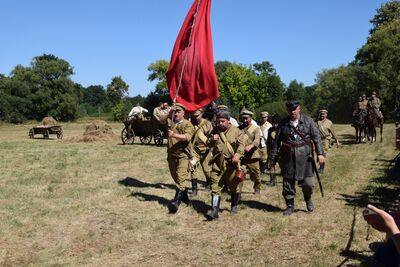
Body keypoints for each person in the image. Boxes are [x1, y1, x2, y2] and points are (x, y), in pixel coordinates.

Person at [269, 100, 325, 216]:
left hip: (305, 157)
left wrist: (320, 154)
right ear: (287, 110)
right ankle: (290, 205)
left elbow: (317, 138)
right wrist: (272, 158)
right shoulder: (283, 123)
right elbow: (276, 142)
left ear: (299, 109)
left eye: (295, 110)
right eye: (290, 110)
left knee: (308, 184)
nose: (292, 112)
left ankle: (308, 198)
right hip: (287, 158)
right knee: (288, 184)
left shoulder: (308, 121)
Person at [206, 110, 245, 220]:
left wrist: (237, 154)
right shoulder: (215, 130)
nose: (220, 123)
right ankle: (214, 210)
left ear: (228, 121)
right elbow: (208, 144)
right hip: (217, 164)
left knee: (233, 187)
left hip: (231, 164)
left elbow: (242, 145)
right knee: (215, 187)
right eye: (219, 121)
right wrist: (211, 140)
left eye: (223, 121)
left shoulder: (237, 131)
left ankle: (234, 205)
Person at [160, 103, 195, 213]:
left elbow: (187, 137)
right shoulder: (171, 121)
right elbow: (161, 120)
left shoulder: (188, 124)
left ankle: (176, 203)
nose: (177, 114)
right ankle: (185, 199)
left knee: (181, 178)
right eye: (176, 111)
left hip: (183, 156)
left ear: (183, 113)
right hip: (171, 156)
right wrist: (169, 113)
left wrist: (174, 135)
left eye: (179, 112)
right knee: (177, 179)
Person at [188, 108, 213, 196]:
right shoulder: (190, 124)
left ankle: (209, 183)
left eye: (197, 116)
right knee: (192, 167)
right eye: (194, 116)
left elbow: (212, 136)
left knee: (206, 170)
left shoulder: (207, 123)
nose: (196, 118)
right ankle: (194, 189)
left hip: (206, 150)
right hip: (195, 150)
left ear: (201, 114)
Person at [238, 110, 262, 194]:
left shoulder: (256, 129)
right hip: (242, 156)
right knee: (240, 174)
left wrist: (251, 146)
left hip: (253, 156)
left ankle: (257, 187)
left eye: (246, 118)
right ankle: (238, 192)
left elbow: (257, 141)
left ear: (251, 118)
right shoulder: (239, 128)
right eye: (243, 118)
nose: (244, 120)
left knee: (256, 175)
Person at [316, 109, 340, 173]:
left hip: (325, 139)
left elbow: (333, 132)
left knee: (323, 153)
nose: (322, 115)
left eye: (323, 114)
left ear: (326, 115)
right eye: (321, 114)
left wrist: (337, 141)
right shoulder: (316, 122)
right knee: (318, 153)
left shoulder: (329, 122)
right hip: (317, 140)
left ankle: (321, 167)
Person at [266, 114, 280, 186]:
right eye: (273, 123)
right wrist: (268, 150)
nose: (275, 124)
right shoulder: (270, 130)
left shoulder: (282, 129)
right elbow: (268, 141)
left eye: (276, 123)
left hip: (281, 151)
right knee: (271, 165)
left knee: (284, 166)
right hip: (272, 150)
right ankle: (272, 180)